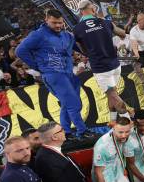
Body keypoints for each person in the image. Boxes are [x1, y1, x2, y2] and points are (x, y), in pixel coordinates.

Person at [16, 9, 92, 140]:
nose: (58, 25)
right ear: (46, 20)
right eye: (54, 23)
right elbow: (20, 50)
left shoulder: (67, 35)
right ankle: (82, 131)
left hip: (69, 73)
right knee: (74, 104)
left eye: (60, 23)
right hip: (54, 75)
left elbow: (78, 48)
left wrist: (94, 54)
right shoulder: (38, 35)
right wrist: (38, 67)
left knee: (66, 104)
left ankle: (67, 132)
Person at [74, 0, 128, 123]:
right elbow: (122, 33)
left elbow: (80, 49)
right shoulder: (106, 22)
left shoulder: (77, 29)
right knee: (112, 94)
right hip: (115, 65)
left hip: (101, 68)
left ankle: (128, 122)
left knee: (114, 96)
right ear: (93, 9)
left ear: (81, 12)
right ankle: (113, 121)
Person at [92, 117, 134, 182]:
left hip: (119, 174)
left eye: (127, 132)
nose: (124, 135)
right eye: (120, 132)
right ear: (113, 129)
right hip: (106, 179)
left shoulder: (127, 130)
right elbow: (98, 173)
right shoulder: (103, 146)